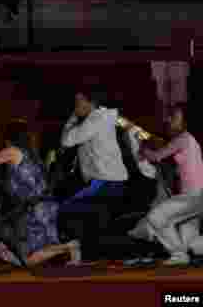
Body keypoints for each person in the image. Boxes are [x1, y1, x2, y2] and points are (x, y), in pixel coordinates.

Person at [0, 121, 79, 267]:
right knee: (31, 253)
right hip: (45, 207)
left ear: (8, 138)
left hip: (36, 210)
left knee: (30, 258)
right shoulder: (31, 153)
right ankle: (6, 251)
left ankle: (69, 246)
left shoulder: (12, 151)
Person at [57, 91, 128, 263]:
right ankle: (93, 256)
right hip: (110, 181)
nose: (75, 107)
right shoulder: (106, 115)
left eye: (77, 103)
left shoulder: (95, 119)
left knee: (67, 210)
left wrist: (72, 118)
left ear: (89, 102)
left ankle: (85, 255)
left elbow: (67, 140)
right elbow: (125, 123)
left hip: (106, 182)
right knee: (94, 220)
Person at [130, 103, 203, 266]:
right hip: (196, 197)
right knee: (191, 243)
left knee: (157, 217)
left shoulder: (184, 139)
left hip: (193, 196)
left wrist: (142, 148)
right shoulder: (188, 141)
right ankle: (181, 251)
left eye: (174, 117)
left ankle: (178, 255)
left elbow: (156, 156)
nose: (169, 120)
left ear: (185, 122)